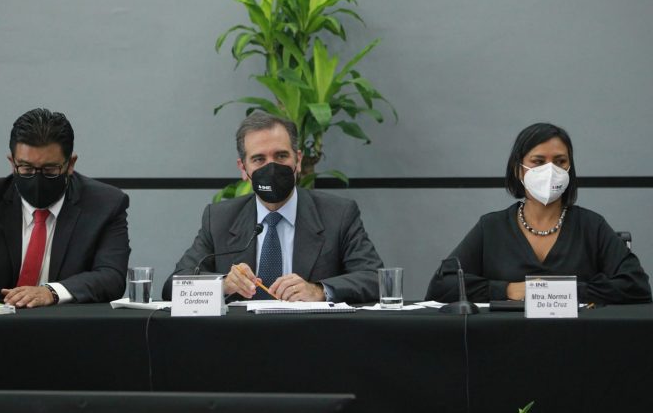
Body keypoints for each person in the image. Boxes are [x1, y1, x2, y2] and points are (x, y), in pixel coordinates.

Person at [0, 108, 130, 308]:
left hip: (65, 331)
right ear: (12, 163)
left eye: (50, 170)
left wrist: (51, 292)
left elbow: (111, 276)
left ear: (70, 164)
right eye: (27, 168)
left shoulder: (104, 204)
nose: (37, 179)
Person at [162, 111, 383, 303]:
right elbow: (175, 286)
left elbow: (375, 277)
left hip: (313, 339)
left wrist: (318, 291)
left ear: (297, 160)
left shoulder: (338, 214)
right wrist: (224, 285)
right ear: (243, 168)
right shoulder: (219, 218)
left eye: (281, 156)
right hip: (239, 340)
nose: (272, 167)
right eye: (259, 159)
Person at [425, 123, 651, 304]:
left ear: (570, 169)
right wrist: (508, 289)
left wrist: (560, 292)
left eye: (560, 161)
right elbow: (442, 286)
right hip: (503, 344)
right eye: (538, 161)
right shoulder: (491, 227)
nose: (550, 170)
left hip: (580, 341)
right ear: (518, 169)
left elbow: (636, 285)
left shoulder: (591, 225)